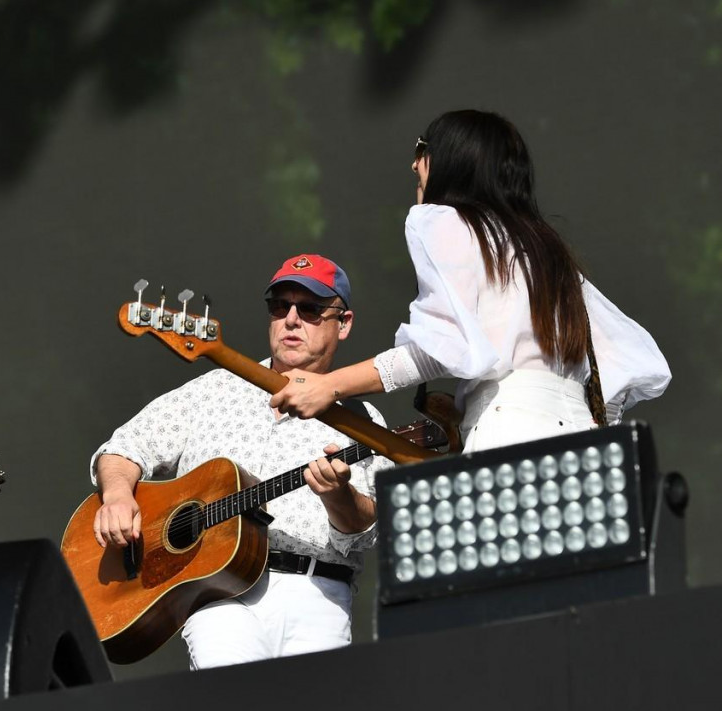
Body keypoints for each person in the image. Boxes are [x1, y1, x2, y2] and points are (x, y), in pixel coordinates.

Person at [270, 110, 671, 452]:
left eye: (422, 149)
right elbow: (623, 371)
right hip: (587, 449)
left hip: (509, 436)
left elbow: (440, 350)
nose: (414, 164)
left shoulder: (444, 222)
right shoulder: (550, 256)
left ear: (452, 160)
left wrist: (331, 386)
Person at [90, 254, 392, 669]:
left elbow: (367, 532)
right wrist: (118, 495)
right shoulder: (213, 390)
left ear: (343, 323)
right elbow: (125, 446)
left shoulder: (364, 422)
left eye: (309, 309)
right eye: (279, 306)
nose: (290, 320)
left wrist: (337, 495)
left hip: (317, 593)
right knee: (232, 693)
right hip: (216, 592)